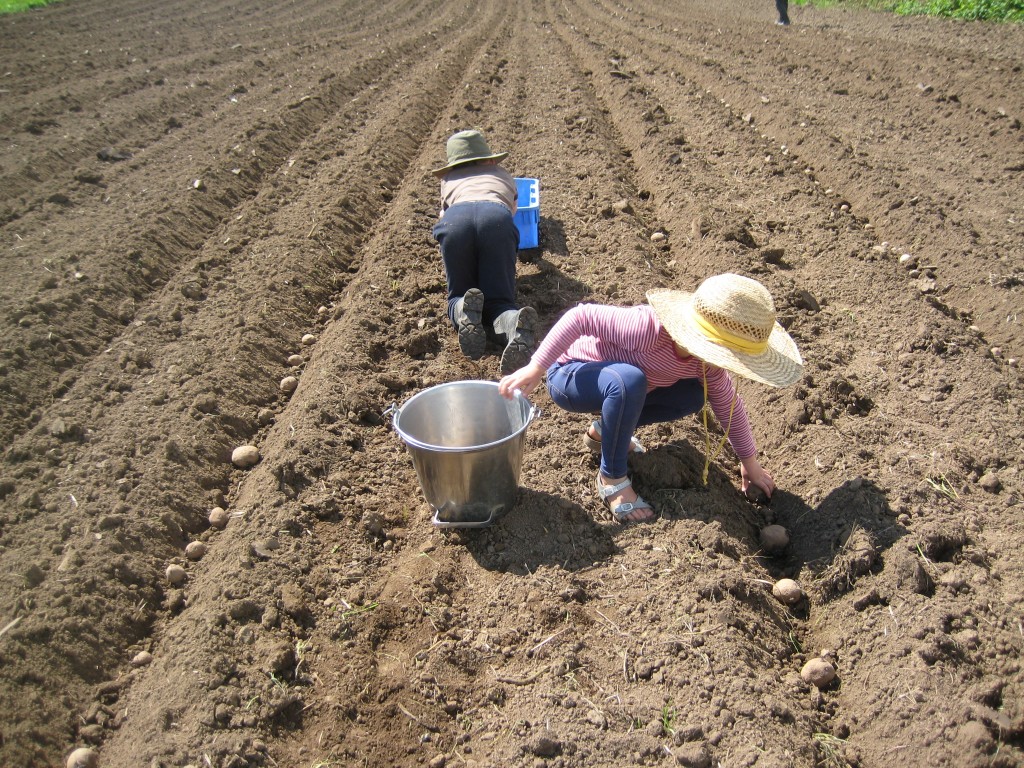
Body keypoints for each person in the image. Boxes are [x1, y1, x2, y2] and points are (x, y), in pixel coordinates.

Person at [498, 273, 803, 523]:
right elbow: (581, 317)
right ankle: (612, 479)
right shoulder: (647, 329)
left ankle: (605, 431)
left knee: (693, 396)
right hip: (571, 375)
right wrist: (536, 368)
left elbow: (729, 406)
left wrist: (750, 465)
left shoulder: (706, 365)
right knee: (630, 381)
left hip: (620, 390)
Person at [431, 129, 538, 375]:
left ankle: (463, 310)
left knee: (456, 295)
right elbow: (512, 210)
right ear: (490, 159)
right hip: (497, 219)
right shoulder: (502, 175)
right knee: (499, 302)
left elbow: (443, 214)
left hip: (454, 222)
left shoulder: (448, 180)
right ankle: (512, 323)